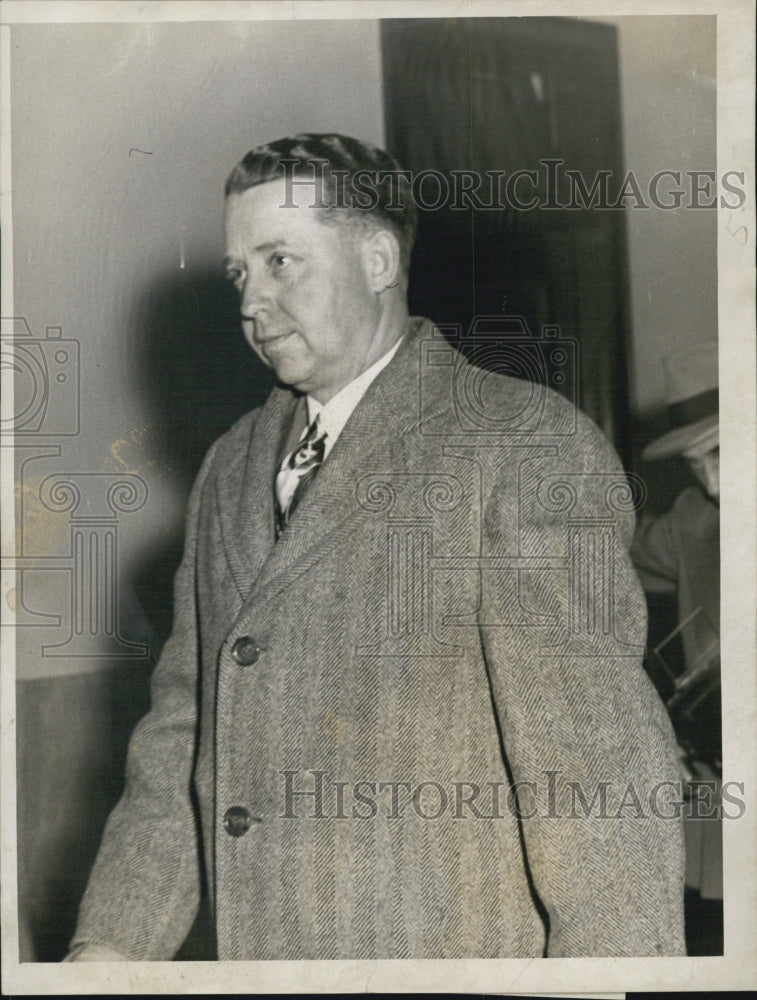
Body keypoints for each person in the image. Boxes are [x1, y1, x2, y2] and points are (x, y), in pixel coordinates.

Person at [66, 134, 685, 961]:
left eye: (280, 260)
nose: (251, 300)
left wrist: (618, 975)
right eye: (237, 273)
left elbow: (593, 776)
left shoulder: (516, 440)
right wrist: (108, 946)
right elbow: (183, 735)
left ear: (378, 259)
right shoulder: (231, 465)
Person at [631, 343, 721, 903]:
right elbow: (603, 549)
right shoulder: (695, 518)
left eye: (721, 454)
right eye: (695, 464)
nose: (712, 485)